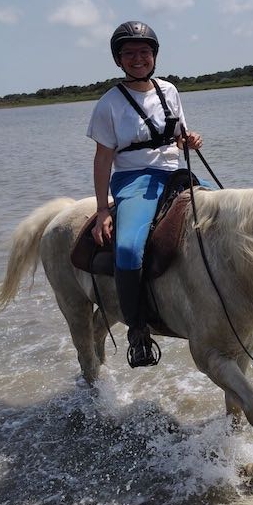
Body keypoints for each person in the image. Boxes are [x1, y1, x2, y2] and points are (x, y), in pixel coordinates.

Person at [87, 21, 203, 368]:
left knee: (227, 218)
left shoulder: (170, 90)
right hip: (134, 180)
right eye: (129, 53)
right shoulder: (108, 104)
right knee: (127, 248)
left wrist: (189, 140)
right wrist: (102, 211)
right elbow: (103, 159)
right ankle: (138, 331)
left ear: (154, 55)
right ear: (118, 59)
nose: (138, 58)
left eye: (144, 51)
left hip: (176, 175)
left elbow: (178, 137)